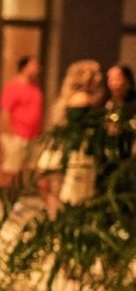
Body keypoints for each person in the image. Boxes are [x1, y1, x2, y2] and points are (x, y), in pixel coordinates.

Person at [38, 59, 105, 211]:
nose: (100, 78)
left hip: (63, 151)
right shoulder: (82, 100)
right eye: (96, 75)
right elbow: (78, 131)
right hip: (75, 154)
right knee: (69, 194)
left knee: (57, 194)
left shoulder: (68, 99)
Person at [0, 55, 43, 189]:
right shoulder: (13, 87)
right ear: (24, 67)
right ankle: (8, 199)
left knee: (30, 169)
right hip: (17, 134)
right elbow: (5, 111)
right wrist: (10, 132)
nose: (37, 69)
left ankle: (19, 197)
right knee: (12, 168)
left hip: (33, 135)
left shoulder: (35, 88)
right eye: (34, 65)